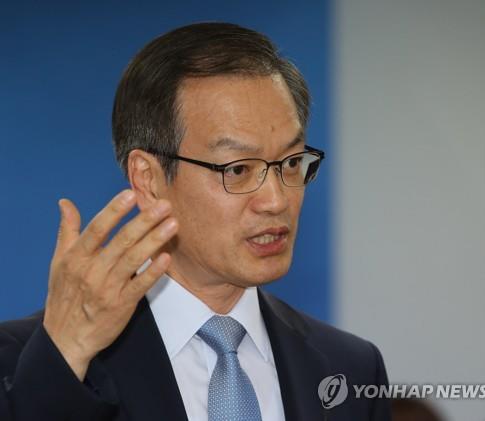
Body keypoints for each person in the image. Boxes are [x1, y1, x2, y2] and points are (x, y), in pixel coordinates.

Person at [0, 22, 390, 421]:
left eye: (291, 163)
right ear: (149, 180)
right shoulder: (29, 365)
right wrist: (66, 357)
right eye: (238, 169)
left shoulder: (351, 367)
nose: (276, 200)